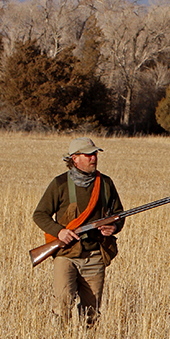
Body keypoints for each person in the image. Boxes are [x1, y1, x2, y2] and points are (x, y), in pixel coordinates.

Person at [32, 137, 124, 326]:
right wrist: (59, 232)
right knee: (62, 305)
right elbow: (40, 214)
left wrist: (114, 227)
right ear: (74, 158)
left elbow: (118, 214)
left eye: (95, 154)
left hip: (95, 255)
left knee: (91, 312)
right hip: (66, 255)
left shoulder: (106, 184)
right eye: (88, 154)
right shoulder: (60, 184)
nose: (93, 158)